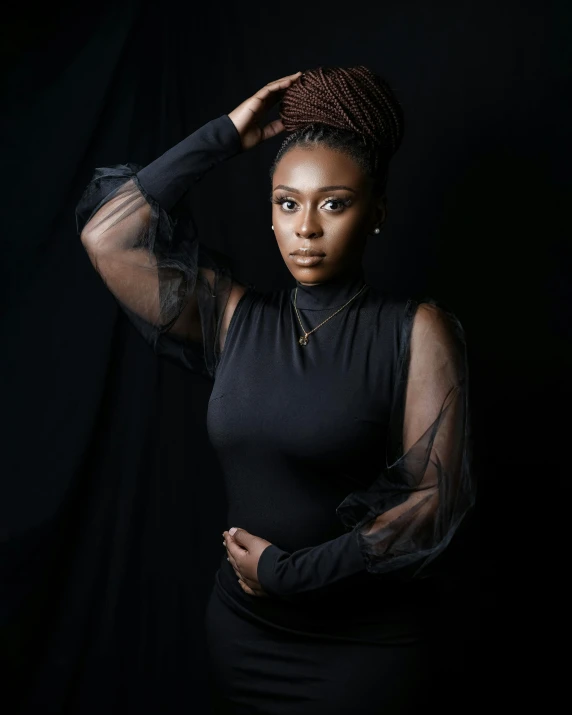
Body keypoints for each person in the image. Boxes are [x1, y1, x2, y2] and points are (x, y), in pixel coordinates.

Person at [76, 66, 475, 714]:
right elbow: (106, 236)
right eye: (287, 202)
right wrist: (227, 135)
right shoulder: (233, 318)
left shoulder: (417, 331)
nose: (306, 227)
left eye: (333, 202)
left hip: (366, 651)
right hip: (245, 639)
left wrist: (285, 573)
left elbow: (431, 508)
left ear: (377, 211)